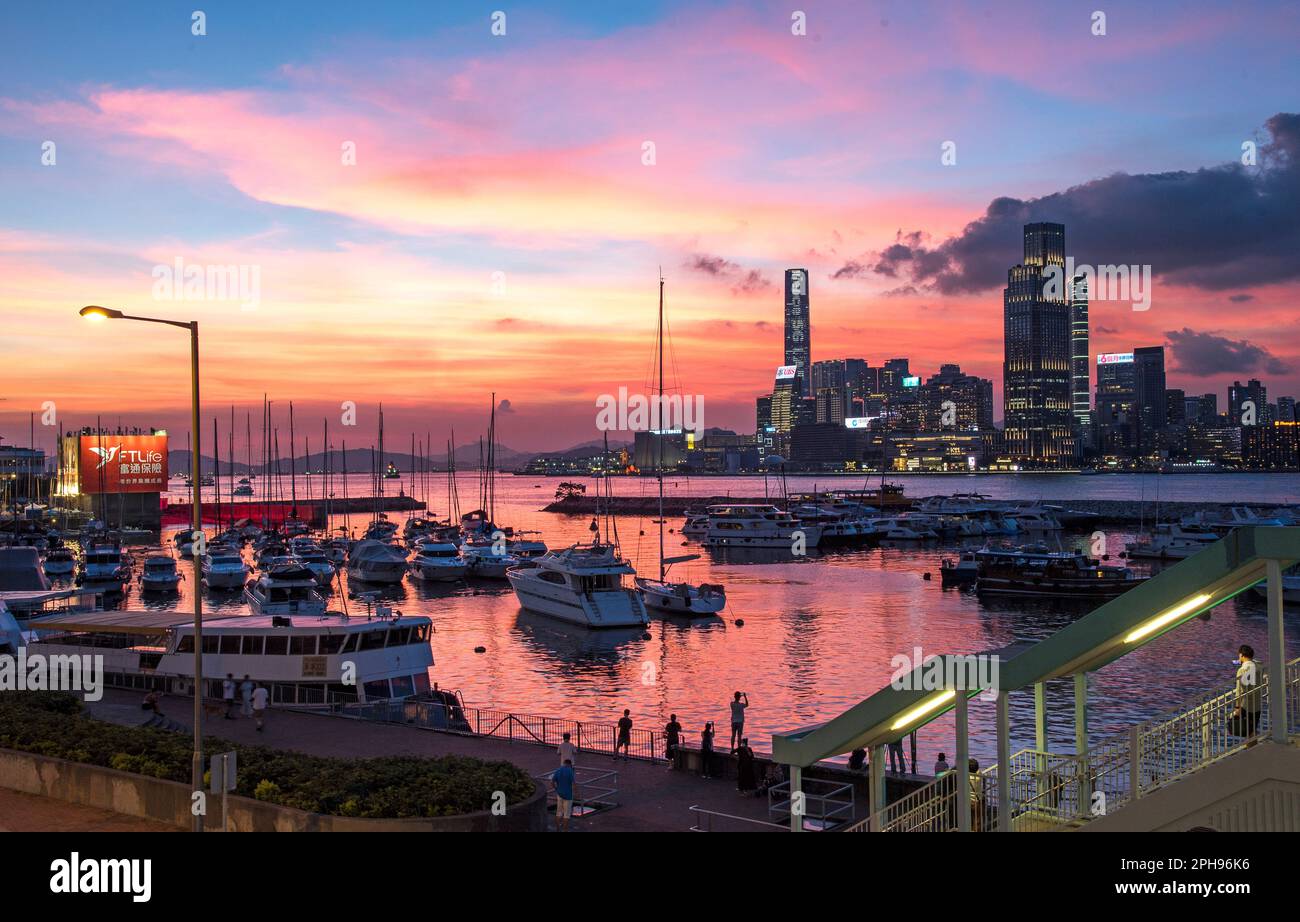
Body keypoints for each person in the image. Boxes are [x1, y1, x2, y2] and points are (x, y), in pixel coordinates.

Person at [1232, 644, 1262, 746]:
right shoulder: (1258, 665)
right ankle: (1252, 748)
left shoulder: (1242, 670)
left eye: (1239, 656)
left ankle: (1251, 750)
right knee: (1252, 729)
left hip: (1246, 705)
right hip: (1257, 703)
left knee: (1247, 730)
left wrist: (1237, 707)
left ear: (1241, 655)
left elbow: (1239, 690)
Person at [553, 758, 576, 831]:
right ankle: (565, 830)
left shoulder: (558, 770)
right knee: (566, 814)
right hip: (568, 795)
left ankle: (557, 829)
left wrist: (556, 789)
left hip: (559, 794)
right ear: (570, 764)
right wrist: (576, 793)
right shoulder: (570, 771)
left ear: (564, 763)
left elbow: (552, 782)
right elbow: (573, 783)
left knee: (558, 813)